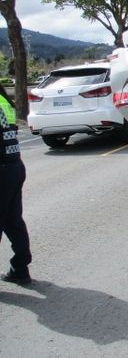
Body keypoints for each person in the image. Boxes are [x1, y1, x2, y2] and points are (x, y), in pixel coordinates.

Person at [0, 82, 32, 285]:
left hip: (3, 168)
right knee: (13, 221)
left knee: (12, 222)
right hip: (14, 167)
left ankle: (20, 267)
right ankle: (20, 267)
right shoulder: (3, 100)